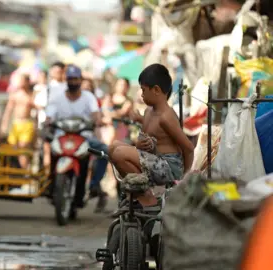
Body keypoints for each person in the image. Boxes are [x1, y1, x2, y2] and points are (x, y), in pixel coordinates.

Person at [108, 64, 194, 206]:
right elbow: (154, 130)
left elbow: (188, 147)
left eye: (143, 89)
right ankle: (140, 191)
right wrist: (138, 121)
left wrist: (185, 176)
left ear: (156, 90)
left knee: (119, 153)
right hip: (154, 161)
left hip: (168, 167)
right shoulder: (149, 112)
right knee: (113, 146)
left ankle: (146, 196)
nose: (141, 94)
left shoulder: (166, 116)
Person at [44, 65, 109, 212]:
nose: (73, 82)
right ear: (66, 80)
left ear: (80, 80)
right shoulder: (57, 97)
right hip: (61, 137)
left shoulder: (89, 97)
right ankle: (50, 184)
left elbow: (95, 115)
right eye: (70, 79)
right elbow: (49, 115)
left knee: (105, 152)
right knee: (49, 151)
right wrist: (47, 121)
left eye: (76, 79)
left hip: (84, 137)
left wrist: (97, 120)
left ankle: (93, 185)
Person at [0, 74, 36, 168]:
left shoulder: (32, 95)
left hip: (26, 123)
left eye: (22, 80)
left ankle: (23, 172)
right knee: (12, 148)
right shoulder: (15, 95)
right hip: (16, 123)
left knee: (23, 148)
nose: (20, 83)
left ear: (27, 82)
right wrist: (4, 124)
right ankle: (14, 170)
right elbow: (8, 110)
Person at [101, 78, 133, 144]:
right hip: (107, 124)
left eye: (123, 85)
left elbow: (121, 113)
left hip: (121, 127)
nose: (121, 87)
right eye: (119, 84)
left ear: (127, 87)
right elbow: (104, 109)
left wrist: (110, 115)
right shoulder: (109, 96)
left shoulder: (128, 101)